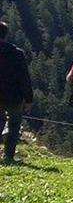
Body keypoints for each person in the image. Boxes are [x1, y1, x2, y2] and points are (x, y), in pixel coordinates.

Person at [0, 21, 33, 164]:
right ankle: (8, 155)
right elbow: (24, 77)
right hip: (14, 96)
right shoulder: (17, 53)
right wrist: (29, 98)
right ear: (6, 34)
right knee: (14, 125)